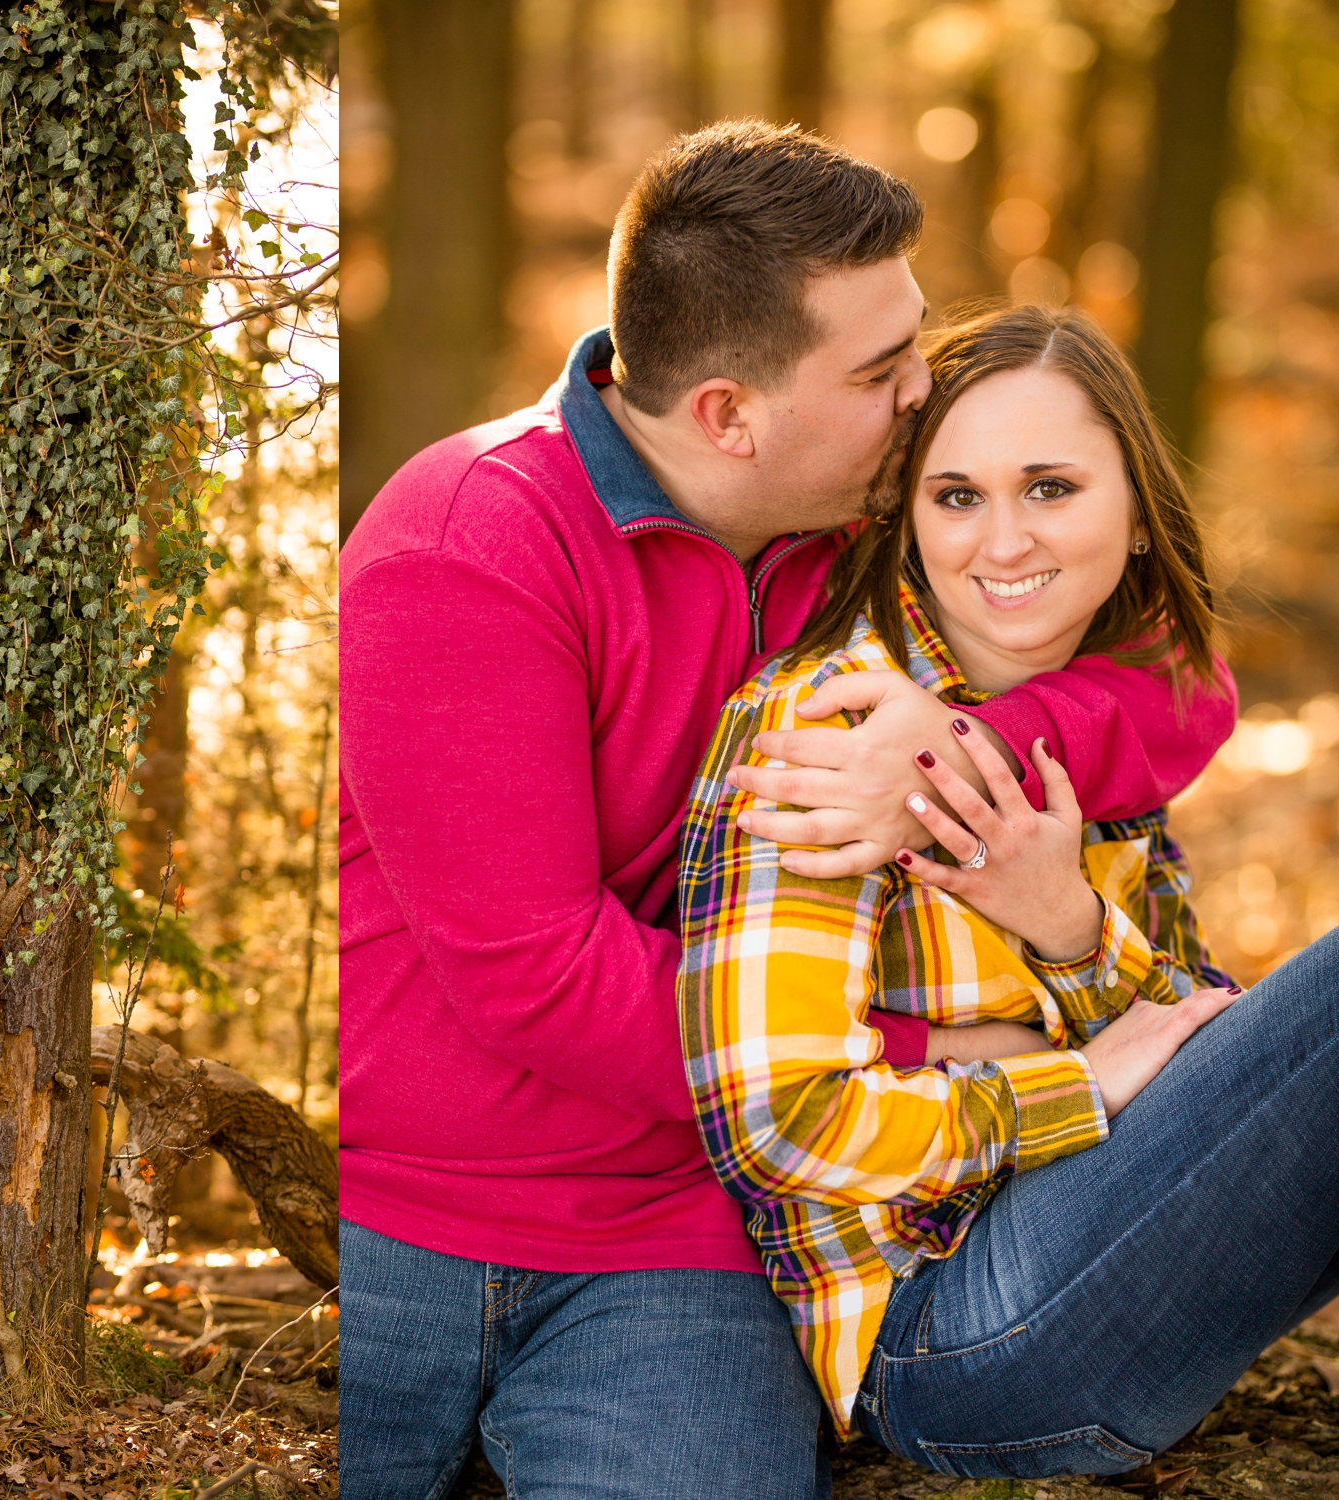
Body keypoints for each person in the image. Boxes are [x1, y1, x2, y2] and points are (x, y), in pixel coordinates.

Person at [338, 122, 1237, 1497]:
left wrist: (964, 742)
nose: (922, 392)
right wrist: (919, 1046)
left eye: (917, 343)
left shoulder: (868, 519)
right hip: (408, 1216)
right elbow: (538, 974)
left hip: (687, 1238)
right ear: (728, 416)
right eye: (883, 371)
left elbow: (1179, 668)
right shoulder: (474, 541)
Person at [676, 303, 1327, 1483]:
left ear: (1135, 517)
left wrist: (1066, 926)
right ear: (907, 519)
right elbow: (776, 1124)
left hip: (1097, 1267)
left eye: (1050, 488)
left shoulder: (1093, 717)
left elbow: (1192, 1041)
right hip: (938, 1337)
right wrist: (1070, 1082)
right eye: (957, 495)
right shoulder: (827, 733)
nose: (1002, 541)